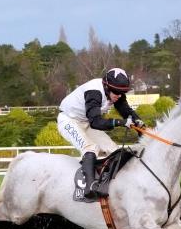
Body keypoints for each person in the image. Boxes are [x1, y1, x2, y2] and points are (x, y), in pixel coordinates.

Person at [58, 67, 145, 198]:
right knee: (90, 148)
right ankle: (90, 187)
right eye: (116, 92)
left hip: (86, 122)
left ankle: (110, 183)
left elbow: (126, 111)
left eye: (122, 92)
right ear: (106, 87)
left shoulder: (116, 93)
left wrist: (140, 125)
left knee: (114, 150)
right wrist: (120, 123)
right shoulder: (94, 92)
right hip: (69, 120)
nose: (119, 95)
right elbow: (96, 122)